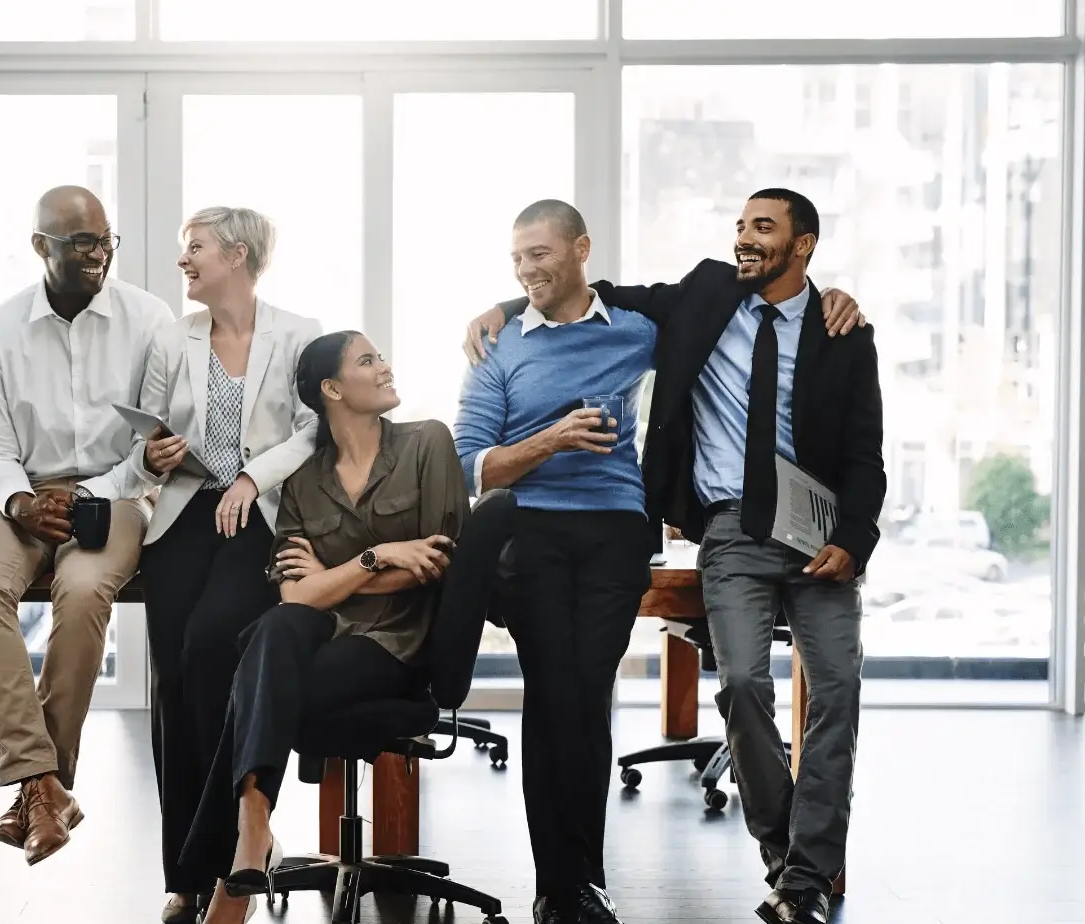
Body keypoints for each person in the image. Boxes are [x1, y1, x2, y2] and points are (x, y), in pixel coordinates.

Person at [464, 190, 884, 924]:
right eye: (742, 226)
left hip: (784, 536)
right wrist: (503, 307)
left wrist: (854, 538)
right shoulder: (701, 295)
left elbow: (864, 453)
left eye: (764, 227)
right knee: (732, 684)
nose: (745, 239)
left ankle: (802, 873)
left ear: (804, 244)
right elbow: (575, 294)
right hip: (692, 529)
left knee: (833, 697)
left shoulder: (831, 329)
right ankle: (578, 883)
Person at [181, 331, 470, 924]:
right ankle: (252, 833)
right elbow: (296, 595)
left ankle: (242, 856)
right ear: (332, 390)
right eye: (368, 361)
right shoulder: (303, 482)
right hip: (318, 638)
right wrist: (378, 556)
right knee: (279, 627)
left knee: (255, 684)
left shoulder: (426, 443)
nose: (385, 367)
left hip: (397, 646)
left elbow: (436, 567)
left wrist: (335, 575)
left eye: (381, 356)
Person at [453, 200, 658, 924]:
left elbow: (714, 320)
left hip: (614, 527)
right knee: (554, 691)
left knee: (583, 688)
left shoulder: (635, 334)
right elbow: (471, 464)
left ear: (580, 249)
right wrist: (552, 440)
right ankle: (561, 884)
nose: (527, 269)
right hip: (528, 532)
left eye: (539, 254)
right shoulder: (498, 348)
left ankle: (580, 879)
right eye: (516, 260)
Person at [0, 185, 173, 866]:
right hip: (18, 499)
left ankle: (39, 789)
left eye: (105, 239)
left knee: (81, 595)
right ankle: (43, 783)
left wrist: (86, 497)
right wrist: (22, 503)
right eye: (80, 242)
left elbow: (153, 447)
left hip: (116, 496)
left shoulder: (151, 320)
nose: (97, 253)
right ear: (40, 247)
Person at [130, 206, 321, 924]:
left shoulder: (298, 335)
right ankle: (186, 870)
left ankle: (241, 842)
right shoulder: (170, 337)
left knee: (214, 651)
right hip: (182, 518)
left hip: (258, 522)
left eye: (196, 248)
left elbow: (312, 430)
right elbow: (146, 429)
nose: (185, 260)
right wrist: (153, 453)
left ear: (236, 255)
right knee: (174, 680)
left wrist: (251, 479)